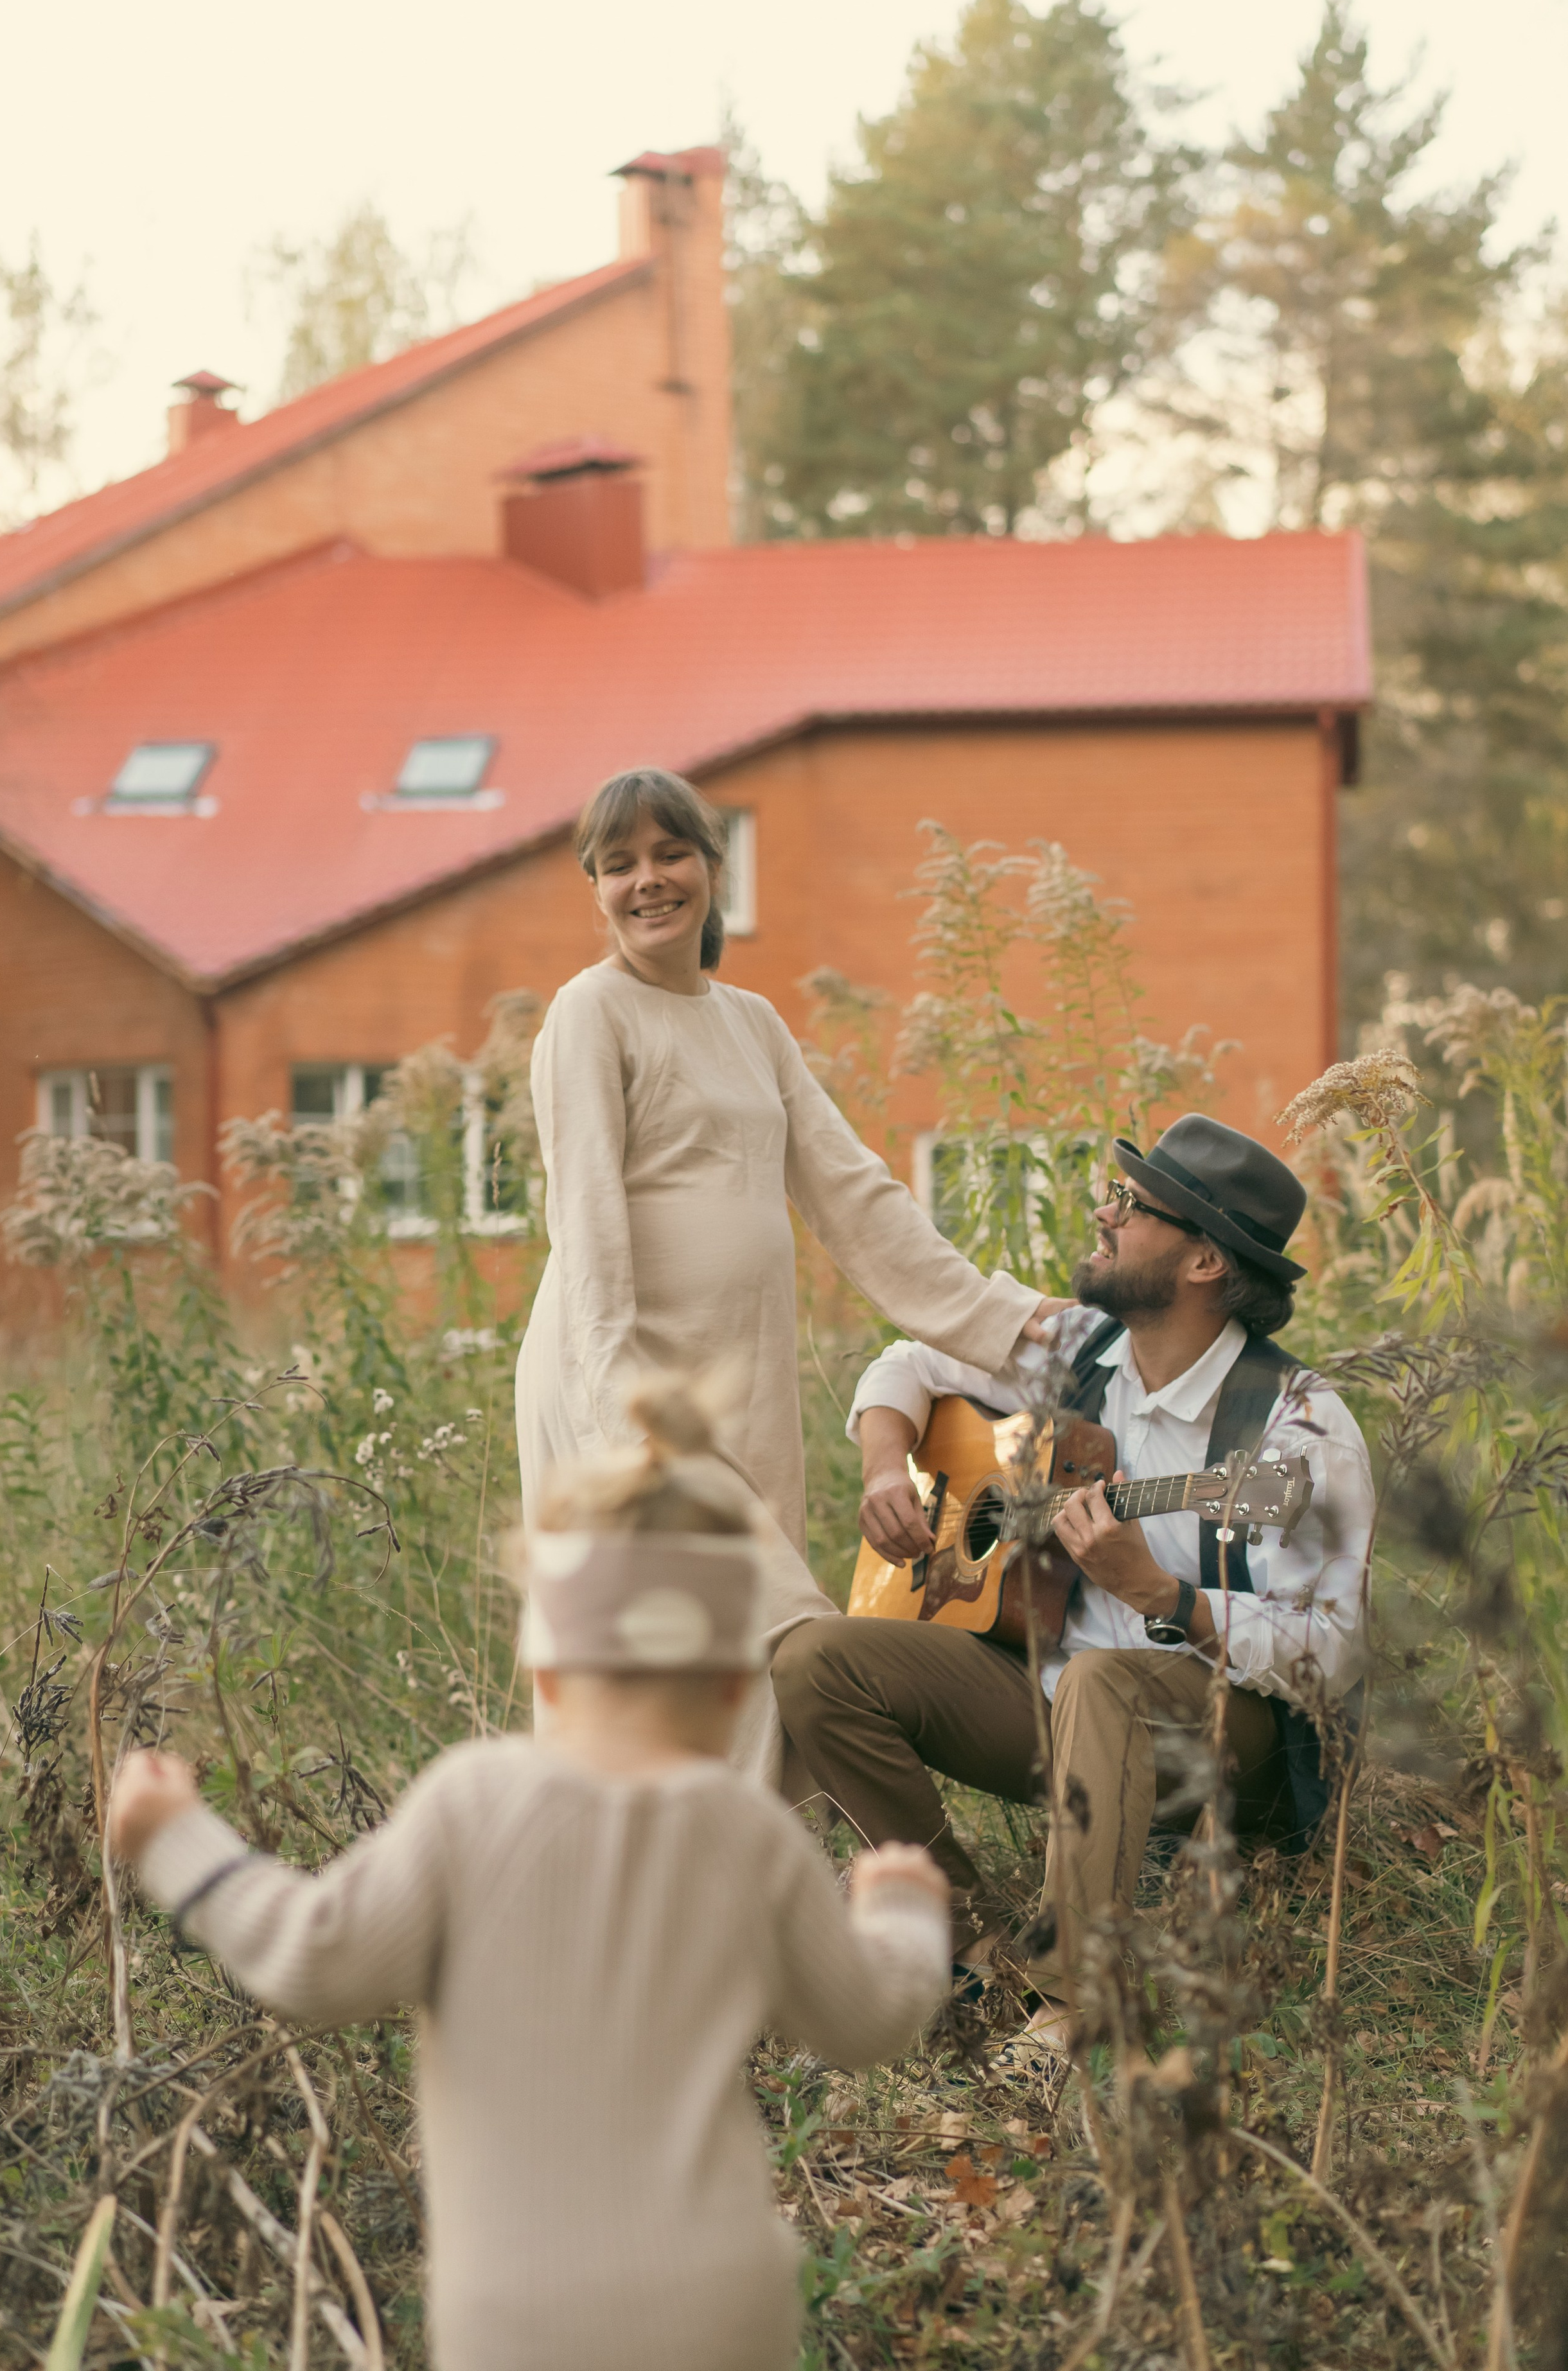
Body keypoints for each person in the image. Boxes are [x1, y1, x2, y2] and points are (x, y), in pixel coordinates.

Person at [110, 1380, 950, 2371]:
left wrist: (178, 1841)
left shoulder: (473, 1803)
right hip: (721, 2302)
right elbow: (866, 2023)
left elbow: (311, 1961)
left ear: (542, 1665)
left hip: (520, 2314)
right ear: (734, 1682)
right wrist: (901, 1914)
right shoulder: (751, 1833)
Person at [770, 1115, 1375, 2046]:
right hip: (1054, 1707)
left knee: (1105, 1680)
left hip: (1220, 1753)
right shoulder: (1078, 1346)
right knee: (815, 1660)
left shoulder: (1299, 1428)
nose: (1103, 1211)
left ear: (1205, 1262)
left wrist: (1169, 1600)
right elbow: (908, 1358)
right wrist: (889, 1466)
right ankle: (965, 1945)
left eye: (1131, 1206)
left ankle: (1069, 2002)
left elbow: (1329, 1655)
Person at [515, 767, 1041, 1780]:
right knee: (670, 1645)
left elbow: (856, 1196)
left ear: (715, 867)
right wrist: (630, 1421)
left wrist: (1011, 1325)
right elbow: (584, 1231)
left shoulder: (751, 1023)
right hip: (622, 1385)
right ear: (595, 889)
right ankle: (604, 1897)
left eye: (671, 854)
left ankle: (742, 1891)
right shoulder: (591, 1015)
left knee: (745, 1666)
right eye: (618, 865)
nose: (648, 881)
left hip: (741, 1387)